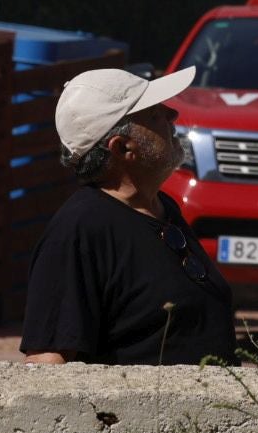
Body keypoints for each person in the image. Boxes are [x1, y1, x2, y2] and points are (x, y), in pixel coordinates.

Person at [20, 65, 237, 365]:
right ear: (123, 148)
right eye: (154, 114)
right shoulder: (79, 230)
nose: (172, 115)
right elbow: (48, 361)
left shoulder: (161, 207)